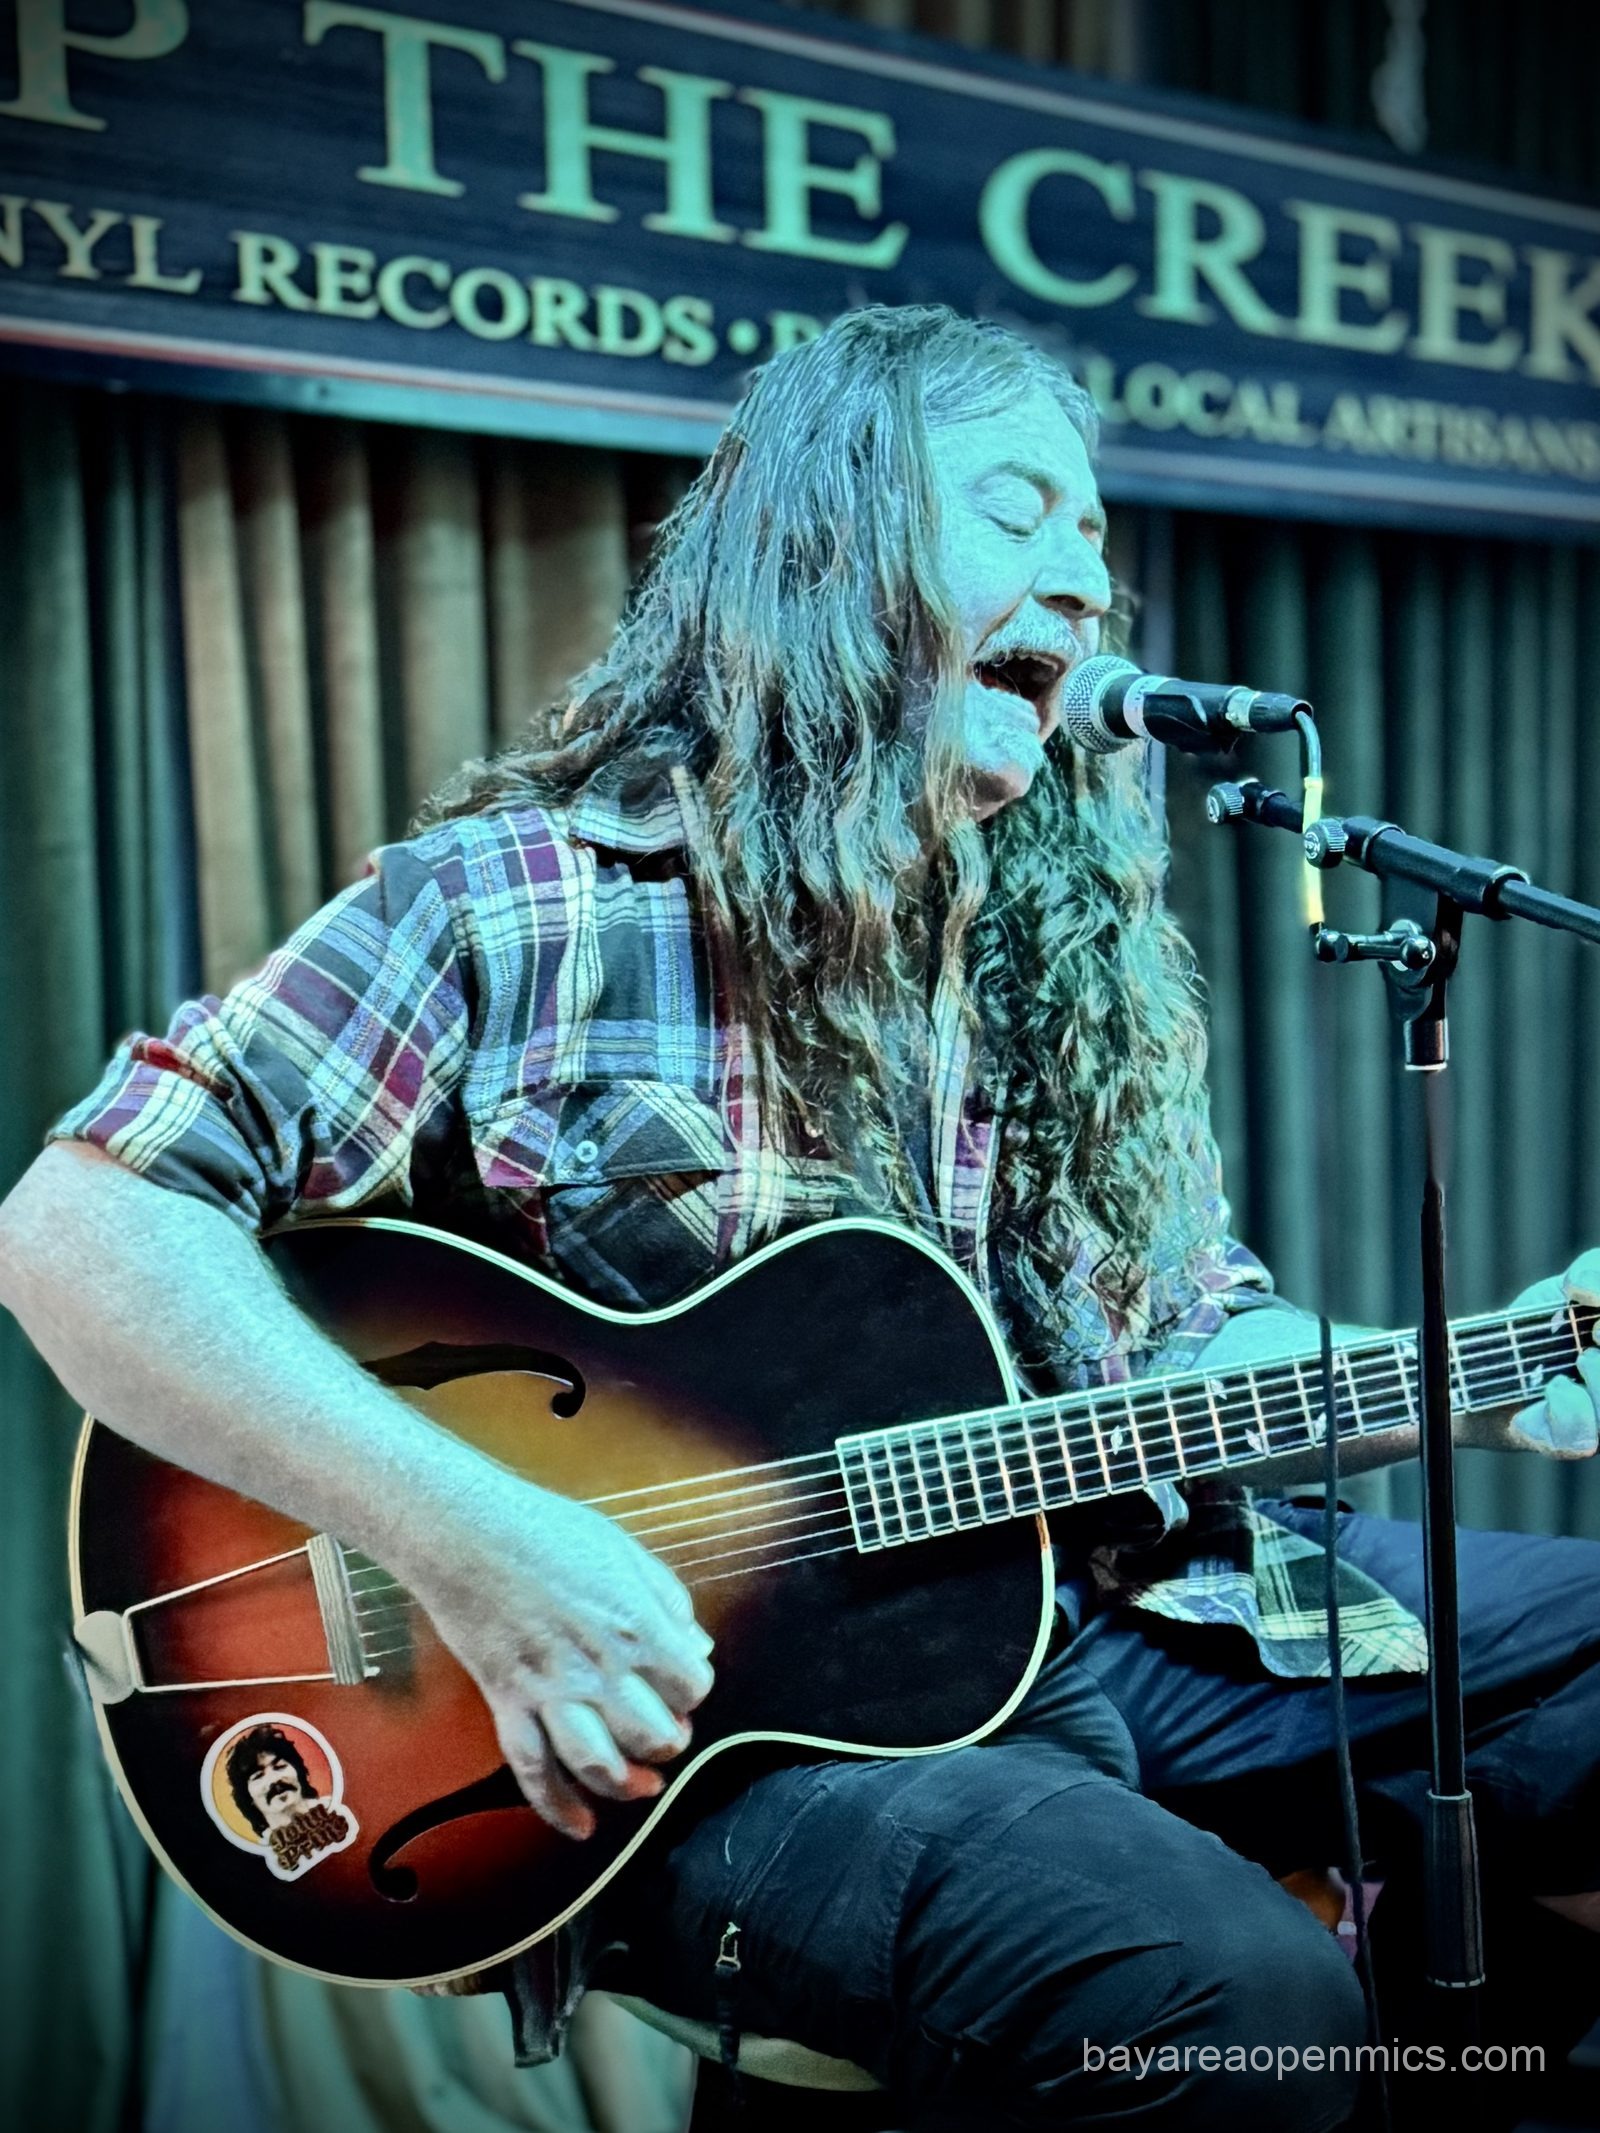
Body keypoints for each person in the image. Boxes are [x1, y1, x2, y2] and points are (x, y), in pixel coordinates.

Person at [4, 304, 1600, 2133]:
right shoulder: (531, 900)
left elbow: (1187, 1356)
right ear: (837, 540)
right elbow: (80, 1226)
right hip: (680, 1721)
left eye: (1099, 541)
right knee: (1228, 2000)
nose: (1088, 585)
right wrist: (481, 1546)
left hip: (1078, 1607)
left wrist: (1504, 1367)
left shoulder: (1064, 968)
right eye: (1020, 512)